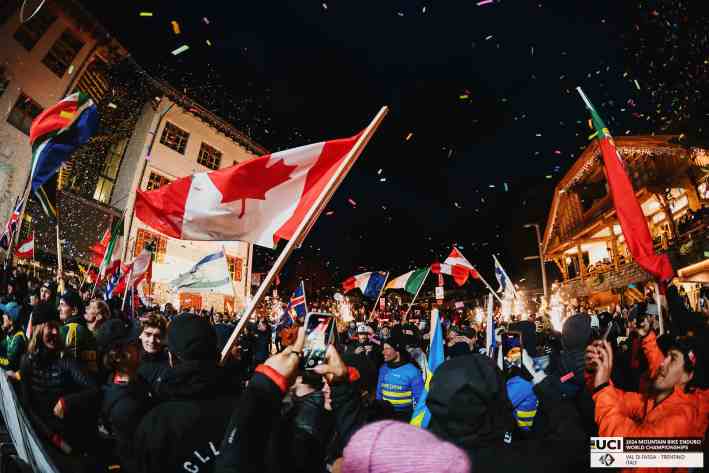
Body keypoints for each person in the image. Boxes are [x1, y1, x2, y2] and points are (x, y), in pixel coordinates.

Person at [132, 315, 240, 473]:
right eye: (148, 335)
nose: (151, 340)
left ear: (172, 357)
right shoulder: (246, 410)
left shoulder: (158, 423)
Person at [587, 337, 702, 438]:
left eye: (673, 359)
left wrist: (602, 387)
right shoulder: (655, 401)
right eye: (666, 356)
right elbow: (620, 399)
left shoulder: (681, 419)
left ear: (687, 376)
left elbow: (631, 449)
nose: (662, 364)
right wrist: (595, 373)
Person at [17, 312, 99, 455]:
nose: (55, 332)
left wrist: (66, 401)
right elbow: (27, 405)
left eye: (57, 327)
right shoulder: (27, 361)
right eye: (50, 327)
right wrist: (51, 436)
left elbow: (94, 389)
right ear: (39, 329)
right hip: (40, 436)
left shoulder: (65, 360)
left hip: (66, 436)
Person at [96, 319, 153, 473]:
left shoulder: (131, 381)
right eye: (134, 344)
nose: (140, 345)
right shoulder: (126, 406)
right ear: (118, 356)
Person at [376, 334, 423, 422]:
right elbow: (379, 392)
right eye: (383, 349)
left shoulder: (412, 371)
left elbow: (419, 398)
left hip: (404, 416)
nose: (383, 352)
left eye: (387, 349)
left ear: (397, 351)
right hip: (385, 414)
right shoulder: (383, 368)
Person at [58, 290, 97, 372]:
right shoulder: (85, 328)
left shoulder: (70, 329)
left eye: (62, 305)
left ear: (74, 310)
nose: (59, 309)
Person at [136, 312, 169, 387]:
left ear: (164, 337)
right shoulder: (130, 360)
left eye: (157, 336)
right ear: (140, 335)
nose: (152, 340)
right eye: (148, 334)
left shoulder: (170, 363)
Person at [0, 301, 27, 372]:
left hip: (15, 381)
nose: (3, 316)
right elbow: (2, 345)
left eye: (5, 314)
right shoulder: (11, 333)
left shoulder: (18, 338)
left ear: (11, 320)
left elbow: (9, 364)